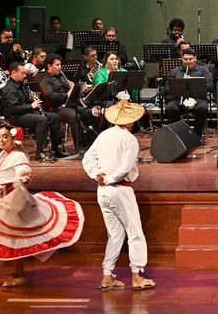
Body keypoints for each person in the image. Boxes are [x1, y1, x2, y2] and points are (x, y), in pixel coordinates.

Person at [0, 125, 84, 288]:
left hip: (15, 200)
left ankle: (19, 274)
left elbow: (24, 174)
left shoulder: (19, 156)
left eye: (5, 137)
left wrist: (16, 181)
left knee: (13, 238)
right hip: (1, 199)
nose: (1, 140)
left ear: (14, 139)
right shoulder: (0, 155)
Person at [82, 99, 156, 291]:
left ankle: (107, 276)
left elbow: (88, 158)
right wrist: (107, 178)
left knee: (115, 234)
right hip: (119, 189)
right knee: (135, 233)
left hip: (103, 191)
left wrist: (96, 174)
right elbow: (125, 168)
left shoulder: (104, 135)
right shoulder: (130, 140)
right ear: (130, 121)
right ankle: (137, 276)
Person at [0, 62, 64, 162]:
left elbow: (24, 100)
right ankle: (40, 152)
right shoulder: (9, 89)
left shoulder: (22, 84)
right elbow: (14, 109)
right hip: (15, 117)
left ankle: (56, 149)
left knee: (55, 117)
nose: (25, 76)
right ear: (13, 73)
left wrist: (31, 98)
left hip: (26, 112)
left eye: (25, 73)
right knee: (41, 120)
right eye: (22, 73)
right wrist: (31, 106)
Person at [40, 54, 99, 152]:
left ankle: (90, 143)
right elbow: (52, 97)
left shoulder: (62, 77)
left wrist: (75, 88)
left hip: (71, 105)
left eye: (60, 64)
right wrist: (68, 94)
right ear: (49, 66)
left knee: (91, 114)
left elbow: (72, 92)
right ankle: (79, 148)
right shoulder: (45, 81)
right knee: (75, 117)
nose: (60, 67)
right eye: (57, 65)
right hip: (58, 108)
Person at [164, 48, 213, 139]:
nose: (188, 61)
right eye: (185, 59)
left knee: (203, 108)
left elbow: (210, 85)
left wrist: (194, 82)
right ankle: (179, 134)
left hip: (198, 99)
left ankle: (196, 135)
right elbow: (167, 88)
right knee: (170, 108)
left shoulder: (203, 70)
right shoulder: (175, 71)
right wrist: (179, 85)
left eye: (190, 59)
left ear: (195, 59)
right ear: (182, 59)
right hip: (179, 99)